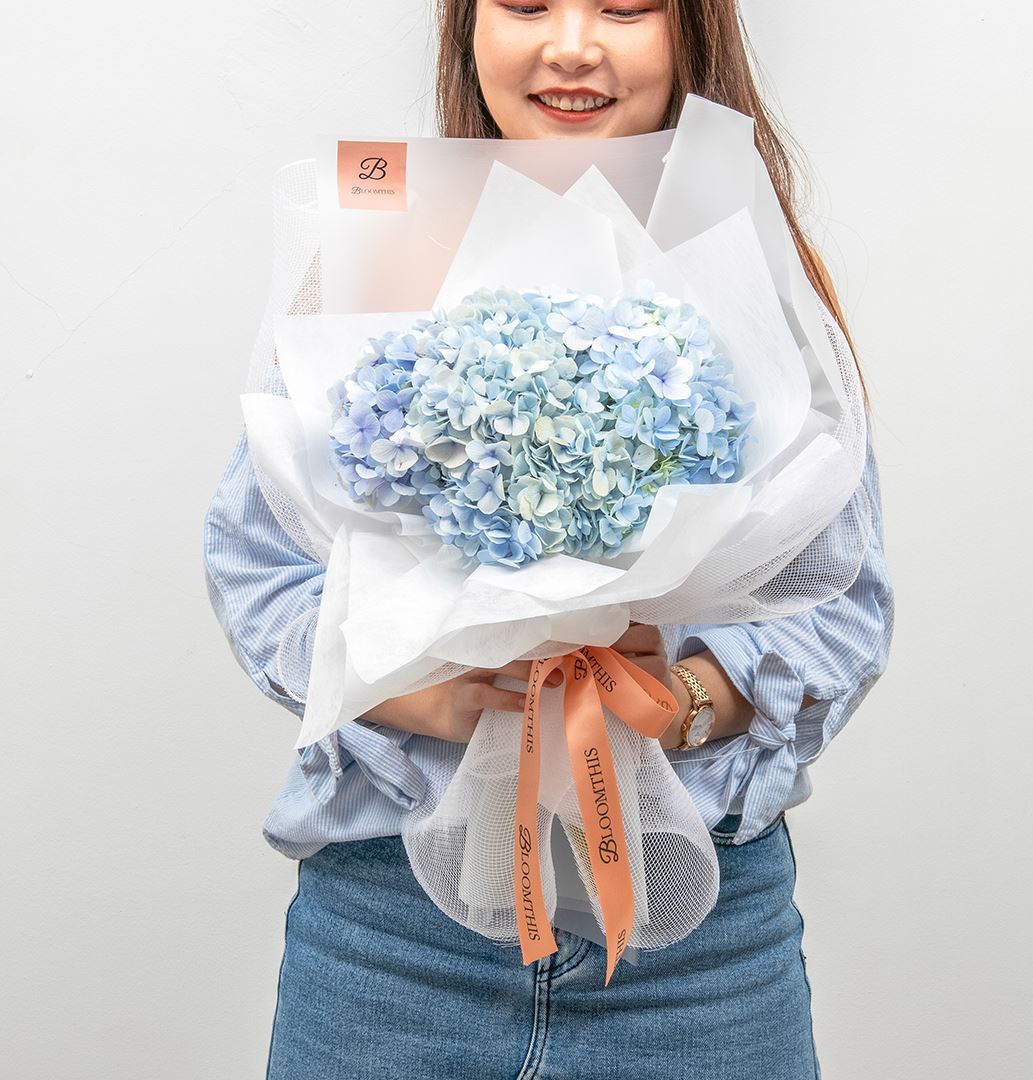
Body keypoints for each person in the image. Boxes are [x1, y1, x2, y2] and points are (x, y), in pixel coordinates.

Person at [203, 2, 895, 1076]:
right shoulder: (388, 235)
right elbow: (260, 565)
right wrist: (423, 691)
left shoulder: (739, 260)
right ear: (467, 26)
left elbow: (841, 600)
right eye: (526, 3)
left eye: (625, 7)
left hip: (699, 953)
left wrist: (682, 706)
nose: (571, 44)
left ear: (689, 30)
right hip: (393, 940)